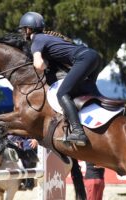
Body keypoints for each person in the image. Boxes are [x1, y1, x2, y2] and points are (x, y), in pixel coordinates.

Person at [19, 11, 103, 146]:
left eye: (23, 29)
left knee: (62, 93)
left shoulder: (37, 39)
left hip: (83, 58)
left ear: (29, 29)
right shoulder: (47, 37)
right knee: (88, 90)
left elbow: (38, 64)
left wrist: (45, 63)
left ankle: (78, 131)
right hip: (94, 57)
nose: (23, 33)